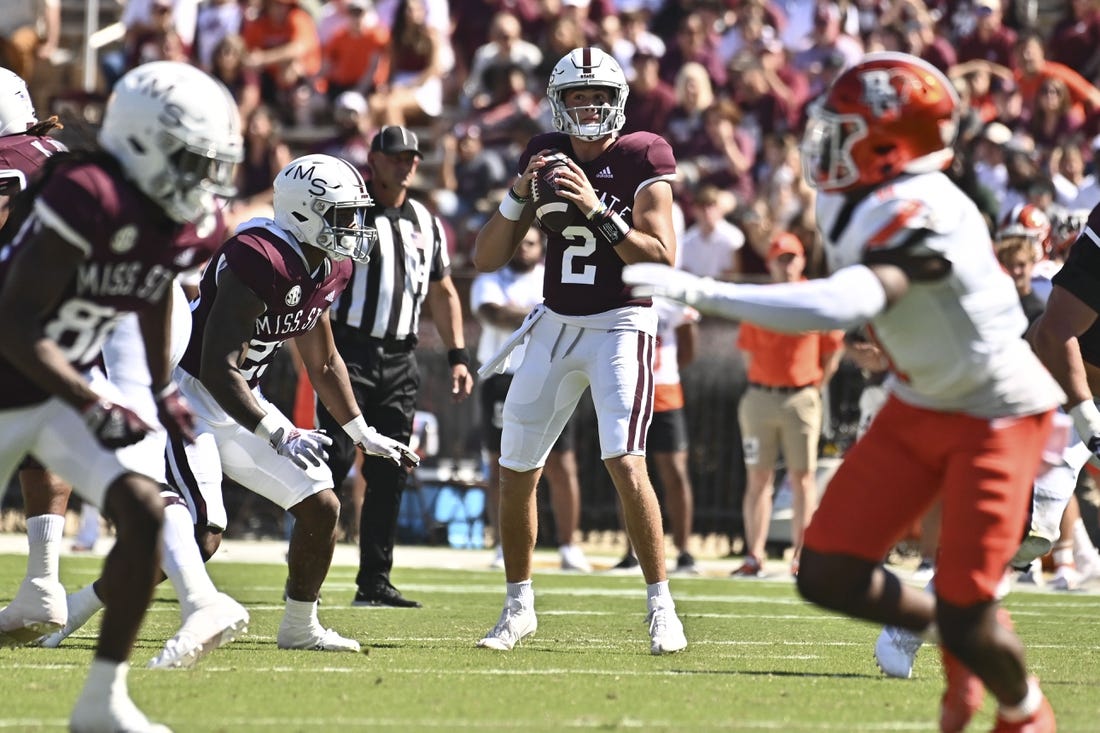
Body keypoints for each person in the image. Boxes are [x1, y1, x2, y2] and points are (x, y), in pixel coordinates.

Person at [624, 52, 1061, 730]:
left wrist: (705, 290)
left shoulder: (920, 206)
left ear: (889, 143)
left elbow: (849, 298)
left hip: (993, 413)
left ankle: (1025, 710)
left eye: (846, 128)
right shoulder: (864, 196)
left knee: (966, 601)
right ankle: (958, 628)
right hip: (923, 399)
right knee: (826, 569)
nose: (824, 140)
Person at [0, 60, 243, 732]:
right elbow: (14, 323)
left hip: (55, 380)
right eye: (190, 160)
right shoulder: (84, 193)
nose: (202, 179)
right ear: (140, 142)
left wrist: (159, 389)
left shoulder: (175, 211)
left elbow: (147, 293)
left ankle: (101, 700)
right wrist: (90, 396)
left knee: (141, 508)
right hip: (14, 372)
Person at [471, 46, 688, 655]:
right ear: (558, 103)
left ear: (617, 102)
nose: (588, 107)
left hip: (621, 322)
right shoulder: (543, 155)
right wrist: (518, 194)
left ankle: (662, 607)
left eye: (597, 96)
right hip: (556, 321)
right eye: (576, 97)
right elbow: (486, 257)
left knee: (624, 458)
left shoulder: (644, 153)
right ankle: (518, 608)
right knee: (516, 468)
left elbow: (662, 256)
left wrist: (594, 206)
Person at [162, 152, 419, 652]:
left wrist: (361, 433)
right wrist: (276, 431)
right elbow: (218, 367)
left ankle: (300, 627)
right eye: (344, 215)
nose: (355, 227)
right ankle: (84, 602)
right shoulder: (260, 256)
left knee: (322, 506)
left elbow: (322, 361)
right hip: (190, 397)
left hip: (240, 398)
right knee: (203, 536)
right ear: (304, 212)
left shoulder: (329, 263)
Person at [316, 125, 473, 608]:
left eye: (412, 157)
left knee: (391, 469)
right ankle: (307, 573)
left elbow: (444, 290)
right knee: (335, 460)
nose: (405, 164)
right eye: (396, 156)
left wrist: (458, 354)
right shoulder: (352, 211)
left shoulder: (426, 221)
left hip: (401, 357)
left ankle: (374, 581)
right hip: (350, 353)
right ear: (374, 159)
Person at [470, 226, 591, 572]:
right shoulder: (491, 277)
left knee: (561, 464)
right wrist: (541, 313)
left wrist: (530, 313)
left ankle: (569, 546)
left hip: (549, 377)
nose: (525, 248)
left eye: (532, 243)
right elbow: (492, 314)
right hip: (501, 378)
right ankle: (501, 544)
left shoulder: (554, 276)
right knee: (499, 464)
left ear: (542, 248)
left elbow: (567, 313)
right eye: (520, 242)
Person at [732, 232, 844, 578]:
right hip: (760, 396)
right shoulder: (761, 301)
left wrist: (813, 388)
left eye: (791, 257)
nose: (787, 265)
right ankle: (755, 554)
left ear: (801, 260)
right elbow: (746, 351)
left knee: (803, 479)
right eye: (781, 259)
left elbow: (832, 350)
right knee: (758, 478)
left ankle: (801, 555)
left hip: (800, 397)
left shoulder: (814, 297)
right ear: (770, 264)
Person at [615, 295, 701, 574]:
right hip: (628, 393)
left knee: (674, 472)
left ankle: (683, 550)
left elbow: (688, 348)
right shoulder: (622, 294)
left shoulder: (671, 300)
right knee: (626, 469)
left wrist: (663, 375)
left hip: (666, 394)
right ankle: (631, 551)